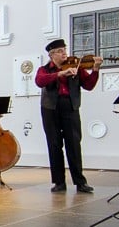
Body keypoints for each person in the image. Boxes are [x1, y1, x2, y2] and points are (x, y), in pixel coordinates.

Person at [34, 39, 100, 193]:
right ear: (51, 55)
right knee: (54, 145)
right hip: (50, 109)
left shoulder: (76, 66)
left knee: (74, 145)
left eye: (64, 50)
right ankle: (59, 182)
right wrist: (60, 73)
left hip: (70, 107)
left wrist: (95, 69)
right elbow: (39, 81)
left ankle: (80, 182)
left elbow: (89, 85)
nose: (64, 53)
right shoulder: (44, 69)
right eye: (60, 51)